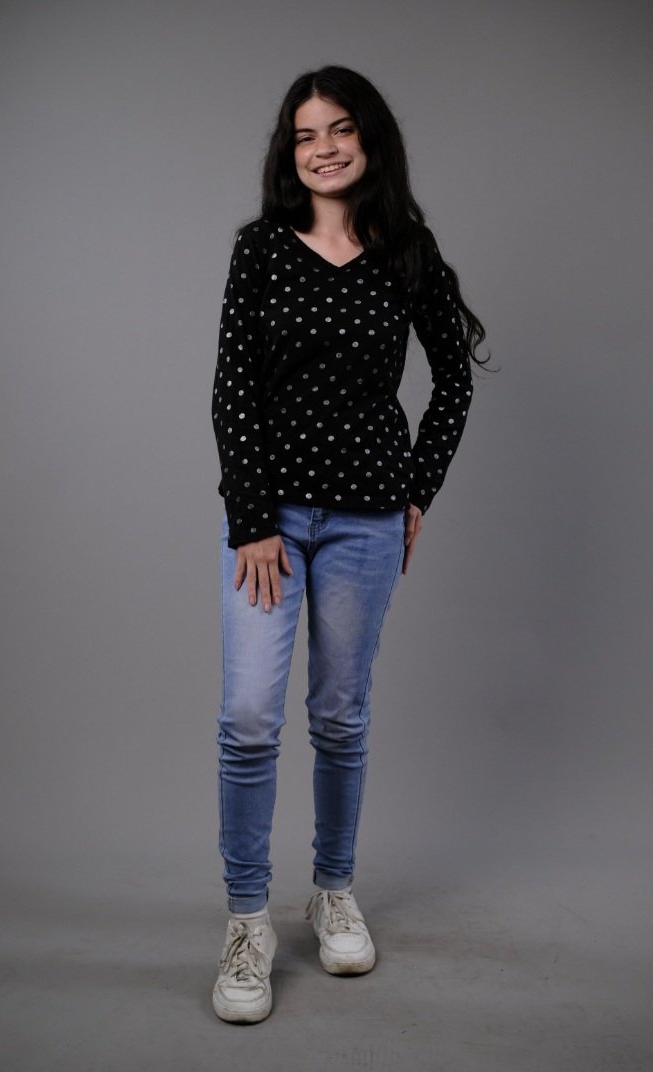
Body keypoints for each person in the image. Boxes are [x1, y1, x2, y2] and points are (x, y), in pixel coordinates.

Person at [210, 65, 487, 1023]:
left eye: (339, 129)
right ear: (288, 153)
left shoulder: (406, 250)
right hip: (271, 523)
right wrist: (251, 518)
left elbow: (453, 379)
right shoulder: (260, 250)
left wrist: (417, 491)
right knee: (250, 717)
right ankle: (247, 921)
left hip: (367, 520)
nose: (322, 147)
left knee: (339, 716)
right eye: (305, 135)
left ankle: (333, 892)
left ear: (369, 137)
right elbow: (232, 388)